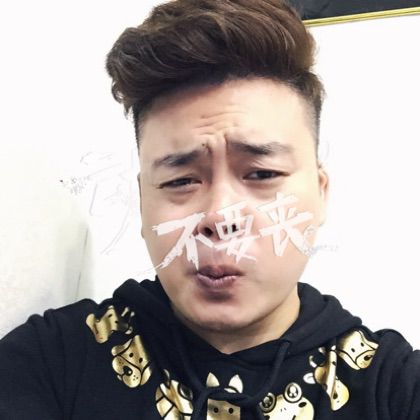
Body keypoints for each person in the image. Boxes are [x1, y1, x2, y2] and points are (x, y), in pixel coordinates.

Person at [0, 0, 419, 419]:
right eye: (180, 181)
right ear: (143, 202)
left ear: (320, 193)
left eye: (262, 174)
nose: (220, 217)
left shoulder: (394, 387)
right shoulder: (48, 363)